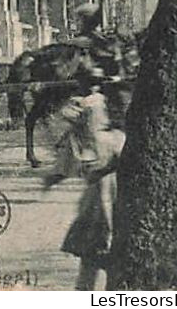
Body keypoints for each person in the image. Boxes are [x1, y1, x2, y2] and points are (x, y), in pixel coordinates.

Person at [52, 78, 125, 291]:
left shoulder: (108, 133)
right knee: (99, 254)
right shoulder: (113, 135)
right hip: (103, 200)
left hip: (102, 199)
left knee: (93, 258)